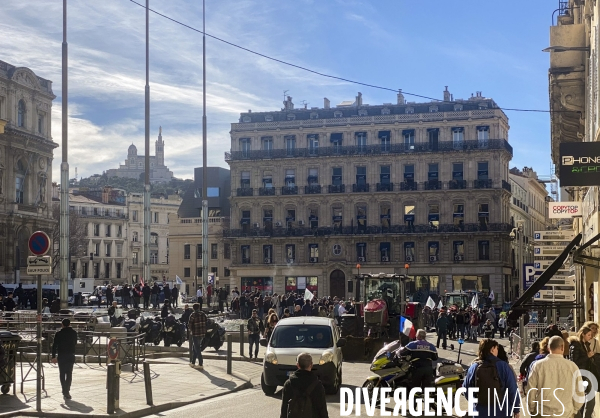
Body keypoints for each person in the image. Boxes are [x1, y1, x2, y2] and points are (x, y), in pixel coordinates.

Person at [528, 336, 584, 417]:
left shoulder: (538, 365)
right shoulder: (572, 366)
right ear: (562, 347)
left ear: (548, 348)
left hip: (543, 411)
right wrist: (575, 409)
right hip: (566, 412)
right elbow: (579, 391)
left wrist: (532, 408)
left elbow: (531, 388)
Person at [463, 339, 520, 418]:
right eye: (496, 348)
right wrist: (516, 409)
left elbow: (466, 389)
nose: (497, 351)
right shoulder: (503, 366)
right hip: (502, 412)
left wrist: (475, 402)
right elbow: (512, 389)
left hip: (480, 412)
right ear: (492, 349)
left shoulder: (474, 367)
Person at [280, 353, 328, 418]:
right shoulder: (317, 385)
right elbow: (322, 409)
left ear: (297, 365)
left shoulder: (289, 383)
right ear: (311, 365)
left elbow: (284, 408)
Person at [569, 326, 597, 418]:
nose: (590, 337)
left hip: (587, 373)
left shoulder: (586, 345)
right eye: (588, 335)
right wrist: (587, 356)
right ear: (583, 334)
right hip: (579, 374)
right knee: (582, 398)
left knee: (589, 398)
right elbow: (574, 362)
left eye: (591, 335)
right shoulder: (575, 345)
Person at [51, 319, 78, 400]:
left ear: (62, 324)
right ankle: (67, 390)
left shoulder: (58, 334)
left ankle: (64, 390)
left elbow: (54, 346)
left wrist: (53, 356)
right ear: (70, 324)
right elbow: (75, 343)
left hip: (61, 355)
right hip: (70, 355)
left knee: (62, 373)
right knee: (69, 373)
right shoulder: (74, 333)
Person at [187, 303, 207, 369]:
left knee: (197, 348)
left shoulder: (193, 315)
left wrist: (190, 331)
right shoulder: (203, 314)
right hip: (202, 333)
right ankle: (193, 363)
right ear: (199, 307)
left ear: (193, 308)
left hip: (195, 334)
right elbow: (206, 322)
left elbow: (189, 324)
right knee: (194, 348)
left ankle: (200, 364)